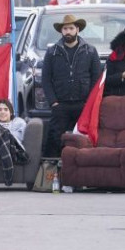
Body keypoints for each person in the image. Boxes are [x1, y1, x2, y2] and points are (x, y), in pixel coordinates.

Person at [42, 14, 102, 157]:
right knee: (55, 140)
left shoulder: (90, 51)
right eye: (65, 29)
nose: (68, 31)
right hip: (60, 104)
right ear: (61, 31)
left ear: (77, 30)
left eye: (71, 28)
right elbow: (46, 79)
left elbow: (96, 78)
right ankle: (51, 174)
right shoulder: (52, 52)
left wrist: (89, 102)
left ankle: (82, 173)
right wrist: (53, 102)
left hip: (83, 105)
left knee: (83, 140)